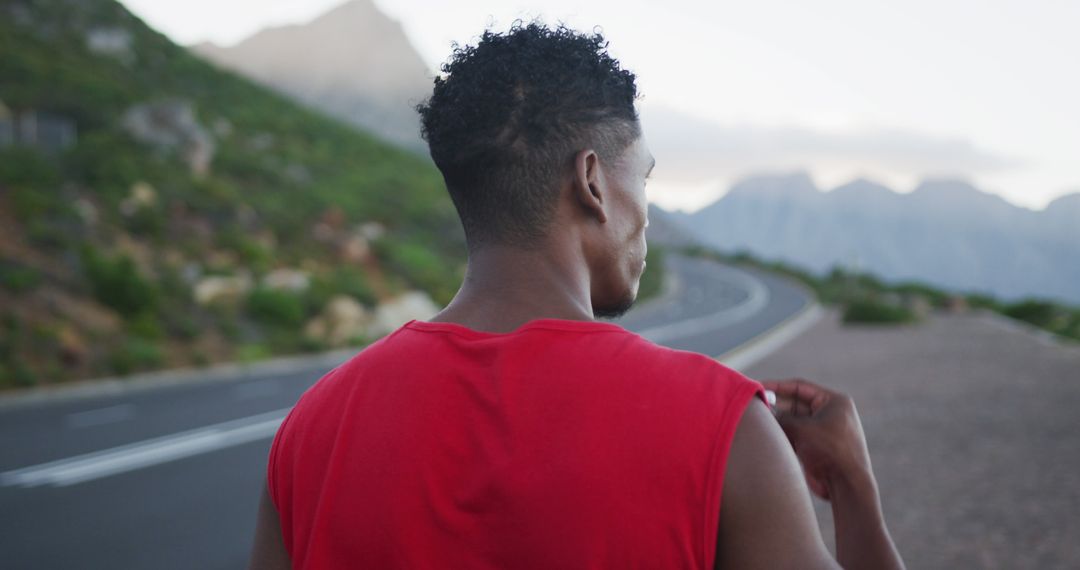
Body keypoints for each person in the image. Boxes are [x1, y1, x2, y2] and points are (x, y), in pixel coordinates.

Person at [248, 21, 904, 570]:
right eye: (642, 179)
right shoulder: (723, 426)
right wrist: (851, 483)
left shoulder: (311, 431)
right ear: (591, 181)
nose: (645, 214)